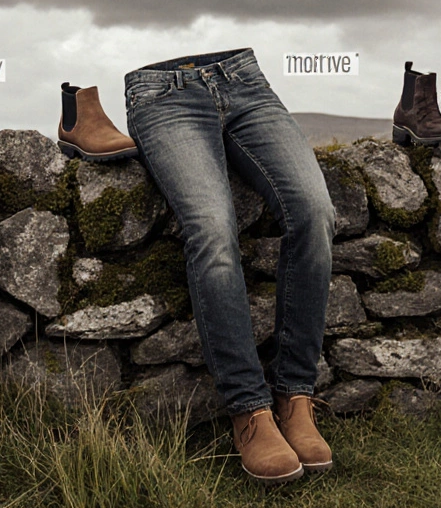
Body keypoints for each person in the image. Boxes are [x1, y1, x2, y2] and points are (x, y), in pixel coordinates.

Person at [123, 47, 336, 485]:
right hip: (161, 98)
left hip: (243, 81)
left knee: (315, 211)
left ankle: (295, 397)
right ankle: (249, 412)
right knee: (212, 229)